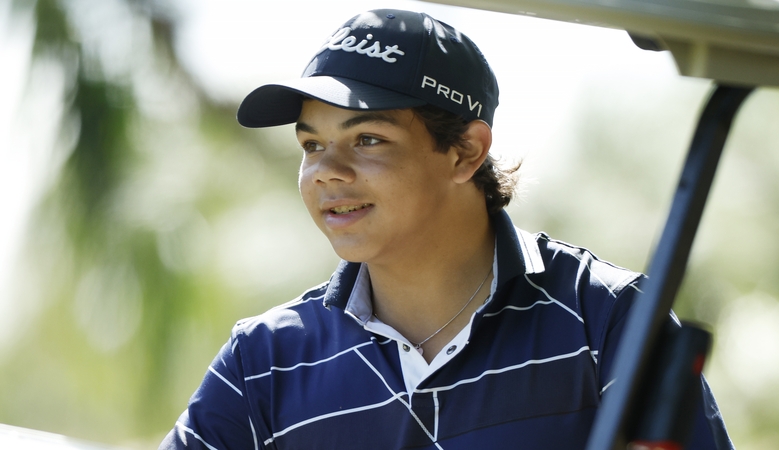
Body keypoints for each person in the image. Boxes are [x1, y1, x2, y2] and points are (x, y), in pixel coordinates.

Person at [160, 9, 732, 449]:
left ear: (465, 152)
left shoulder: (607, 319)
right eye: (312, 145)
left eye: (367, 139)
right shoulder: (263, 360)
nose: (327, 172)